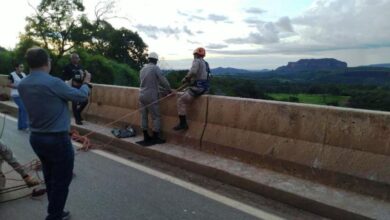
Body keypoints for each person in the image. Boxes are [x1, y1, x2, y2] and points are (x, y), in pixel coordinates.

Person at [18, 47, 91, 220]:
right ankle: (54, 215)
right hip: (57, 139)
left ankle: (56, 211)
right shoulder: (53, 82)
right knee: (62, 180)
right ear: (47, 62)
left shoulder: (23, 84)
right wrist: (87, 83)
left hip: (36, 138)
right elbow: (80, 97)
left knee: (50, 176)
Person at [137, 52, 173, 146]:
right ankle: (156, 137)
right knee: (156, 117)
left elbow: (147, 83)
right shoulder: (155, 68)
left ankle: (146, 136)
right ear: (156, 61)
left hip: (141, 95)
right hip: (151, 96)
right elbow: (162, 80)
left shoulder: (142, 69)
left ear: (148, 59)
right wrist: (169, 89)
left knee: (144, 116)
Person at [174, 47, 210, 130]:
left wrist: (186, 78)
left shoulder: (196, 61)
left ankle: (183, 124)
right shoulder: (206, 63)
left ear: (196, 54)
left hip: (197, 89)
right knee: (186, 93)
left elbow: (193, 72)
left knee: (181, 101)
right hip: (204, 89)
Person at [62, 53, 90, 125]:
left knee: (85, 100)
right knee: (74, 102)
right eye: (74, 58)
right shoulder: (67, 67)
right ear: (71, 59)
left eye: (77, 58)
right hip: (71, 86)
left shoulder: (80, 67)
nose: (76, 59)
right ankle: (77, 119)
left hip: (80, 86)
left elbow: (83, 75)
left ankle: (78, 113)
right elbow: (64, 77)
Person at [7, 63, 28, 130]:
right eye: (21, 67)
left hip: (23, 95)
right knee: (24, 109)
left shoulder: (24, 74)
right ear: (16, 68)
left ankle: (20, 126)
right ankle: (25, 126)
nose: (22, 68)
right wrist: (17, 87)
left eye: (23, 67)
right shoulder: (12, 75)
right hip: (16, 95)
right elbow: (8, 84)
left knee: (21, 110)